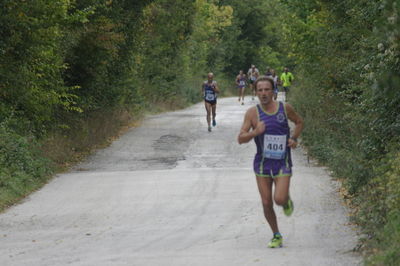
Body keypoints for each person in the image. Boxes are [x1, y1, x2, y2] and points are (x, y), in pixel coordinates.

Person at [237, 76, 304, 248]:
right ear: (256, 92)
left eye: (267, 89)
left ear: (273, 91)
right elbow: (240, 138)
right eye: (260, 90)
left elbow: (299, 122)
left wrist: (294, 139)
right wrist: (255, 132)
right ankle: (276, 234)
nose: (264, 93)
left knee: (279, 199)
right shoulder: (252, 113)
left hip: (282, 161)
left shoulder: (284, 108)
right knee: (266, 202)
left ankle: (286, 200)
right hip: (262, 163)